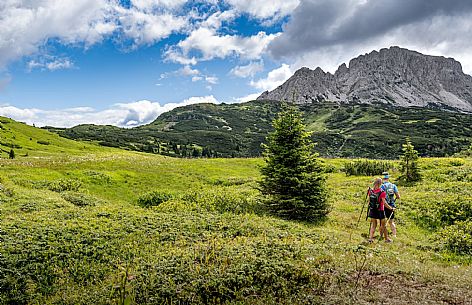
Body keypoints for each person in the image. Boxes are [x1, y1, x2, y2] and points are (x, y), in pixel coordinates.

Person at [367, 177, 394, 243]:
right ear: (380, 184)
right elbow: (384, 203)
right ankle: (386, 239)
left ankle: (370, 239)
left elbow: (369, 200)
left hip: (373, 210)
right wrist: (391, 208)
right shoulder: (382, 192)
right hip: (380, 211)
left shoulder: (370, 191)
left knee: (374, 225)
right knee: (383, 225)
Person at [381, 172, 400, 237]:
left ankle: (383, 234)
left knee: (383, 221)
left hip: (383, 205)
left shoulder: (382, 186)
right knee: (391, 221)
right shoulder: (393, 186)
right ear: (388, 178)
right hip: (391, 205)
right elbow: (398, 196)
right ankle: (394, 235)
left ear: (383, 178)